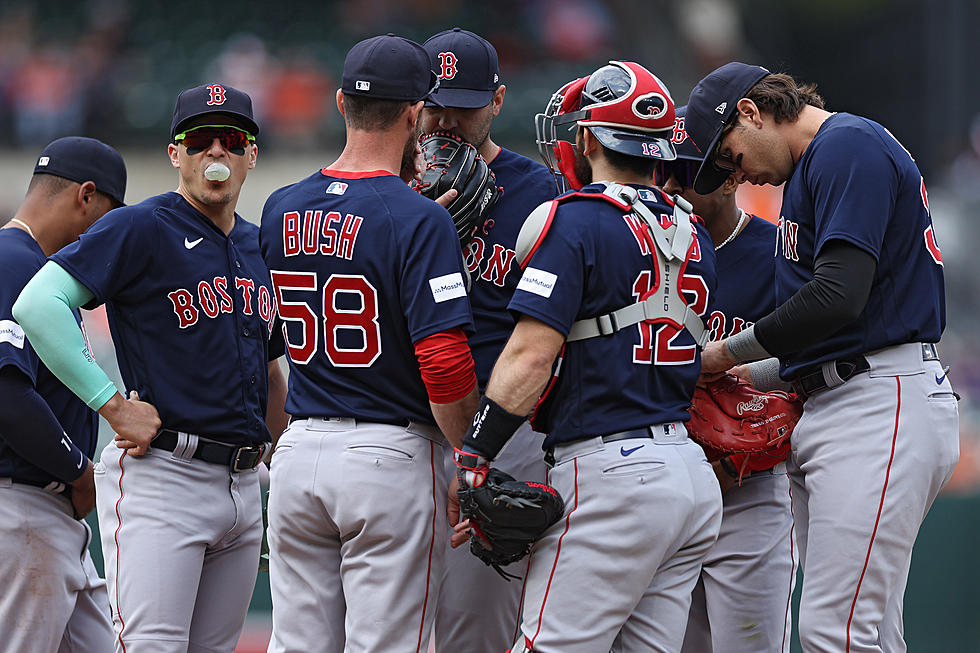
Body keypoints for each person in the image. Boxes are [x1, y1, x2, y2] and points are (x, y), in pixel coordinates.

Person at [449, 60, 723, 653]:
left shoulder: (575, 220)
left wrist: (475, 453)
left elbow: (529, 356)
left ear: (591, 137)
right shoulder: (692, 229)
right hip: (689, 477)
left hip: (612, 470)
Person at [685, 62, 959, 652]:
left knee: (835, 632)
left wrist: (721, 356)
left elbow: (837, 296)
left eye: (730, 154)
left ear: (751, 112)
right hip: (844, 396)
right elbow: (817, 334)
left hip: (879, 398)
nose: (738, 172)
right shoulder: (812, 169)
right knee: (871, 632)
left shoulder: (846, 145)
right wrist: (743, 372)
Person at [14, 83, 289, 653]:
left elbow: (270, 366)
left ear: (251, 156)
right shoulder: (140, 225)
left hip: (242, 484)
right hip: (167, 474)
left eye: (232, 141)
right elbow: (38, 305)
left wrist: (280, 464)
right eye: (200, 141)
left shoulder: (260, 244)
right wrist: (110, 404)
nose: (217, 154)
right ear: (175, 155)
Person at [259, 34, 479, 653]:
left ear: (339, 104)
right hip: (390, 455)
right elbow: (443, 360)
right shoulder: (417, 216)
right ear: (415, 114)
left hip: (299, 453)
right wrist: (472, 453)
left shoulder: (279, 206)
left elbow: (267, 339)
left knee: (299, 644)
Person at [418, 27, 557, 652]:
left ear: (498, 101)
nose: (445, 118)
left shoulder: (539, 191)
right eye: (435, 101)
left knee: (478, 620)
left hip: (503, 428)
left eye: (464, 104)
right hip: (409, 425)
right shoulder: (392, 186)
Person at [657, 106, 797, 652]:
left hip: (748, 485)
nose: (672, 186)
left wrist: (752, 375)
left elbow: (810, 359)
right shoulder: (644, 248)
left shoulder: (776, 253)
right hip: (665, 485)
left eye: (688, 173)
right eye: (663, 172)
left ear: (730, 173)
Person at [0, 136, 125, 653]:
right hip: (21, 507)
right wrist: (80, 470)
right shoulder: (14, 261)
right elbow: (5, 392)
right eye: (109, 217)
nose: (105, 237)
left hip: (49, 515)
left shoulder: (36, 268)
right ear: (86, 196)